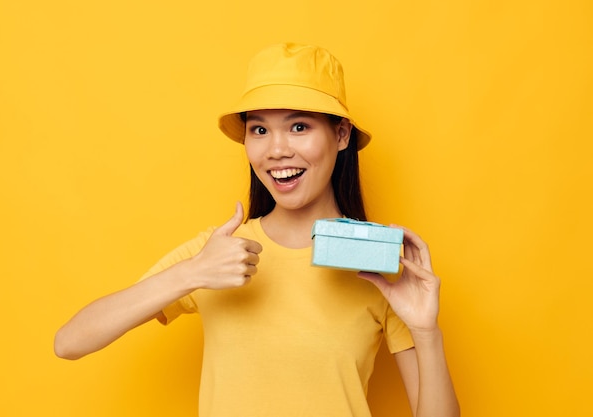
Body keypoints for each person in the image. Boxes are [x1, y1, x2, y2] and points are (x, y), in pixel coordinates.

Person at [55, 43, 460, 417]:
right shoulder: (219, 253)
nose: (276, 150)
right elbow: (69, 343)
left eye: (299, 126)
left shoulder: (379, 265)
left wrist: (426, 332)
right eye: (259, 129)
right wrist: (193, 272)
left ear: (340, 135)